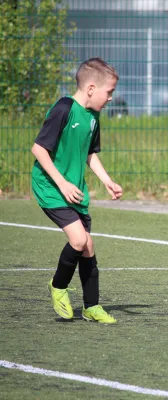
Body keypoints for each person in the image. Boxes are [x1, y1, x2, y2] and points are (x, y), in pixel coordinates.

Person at [31, 57, 122, 323]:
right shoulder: (64, 108)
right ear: (91, 88)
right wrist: (62, 182)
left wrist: (107, 180)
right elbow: (39, 149)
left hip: (74, 189)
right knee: (79, 240)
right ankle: (58, 287)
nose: (111, 99)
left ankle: (91, 306)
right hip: (50, 186)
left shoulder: (93, 116)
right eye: (110, 92)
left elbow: (90, 154)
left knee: (88, 246)